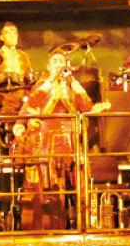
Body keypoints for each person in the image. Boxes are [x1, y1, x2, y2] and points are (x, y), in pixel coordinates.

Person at [14, 51, 96, 230]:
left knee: (74, 183)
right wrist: (51, 80)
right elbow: (32, 103)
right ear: (49, 66)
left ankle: (77, 224)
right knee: (48, 185)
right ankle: (49, 224)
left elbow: (87, 106)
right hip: (47, 140)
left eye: (61, 61)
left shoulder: (71, 85)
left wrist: (75, 85)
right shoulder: (42, 84)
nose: (59, 64)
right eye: (55, 61)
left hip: (68, 138)